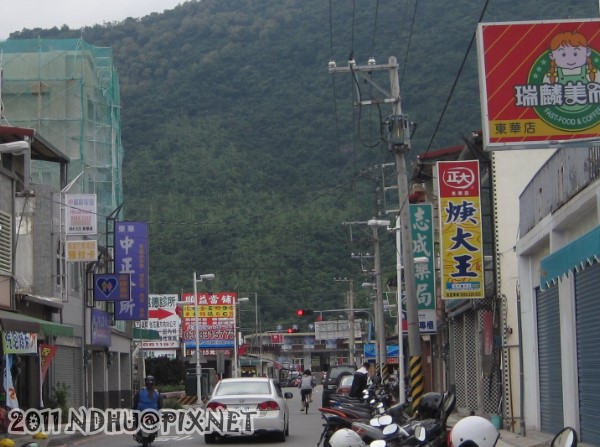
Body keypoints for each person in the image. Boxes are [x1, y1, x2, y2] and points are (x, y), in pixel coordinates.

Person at [133, 375, 162, 442]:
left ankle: (138, 432)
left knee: (136, 418)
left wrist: (134, 409)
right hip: (154, 414)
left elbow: (135, 401)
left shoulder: (140, 391)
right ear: (153, 383)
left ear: (145, 382)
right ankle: (155, 432)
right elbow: (160, 404)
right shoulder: (157, 392)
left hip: (141, 412)